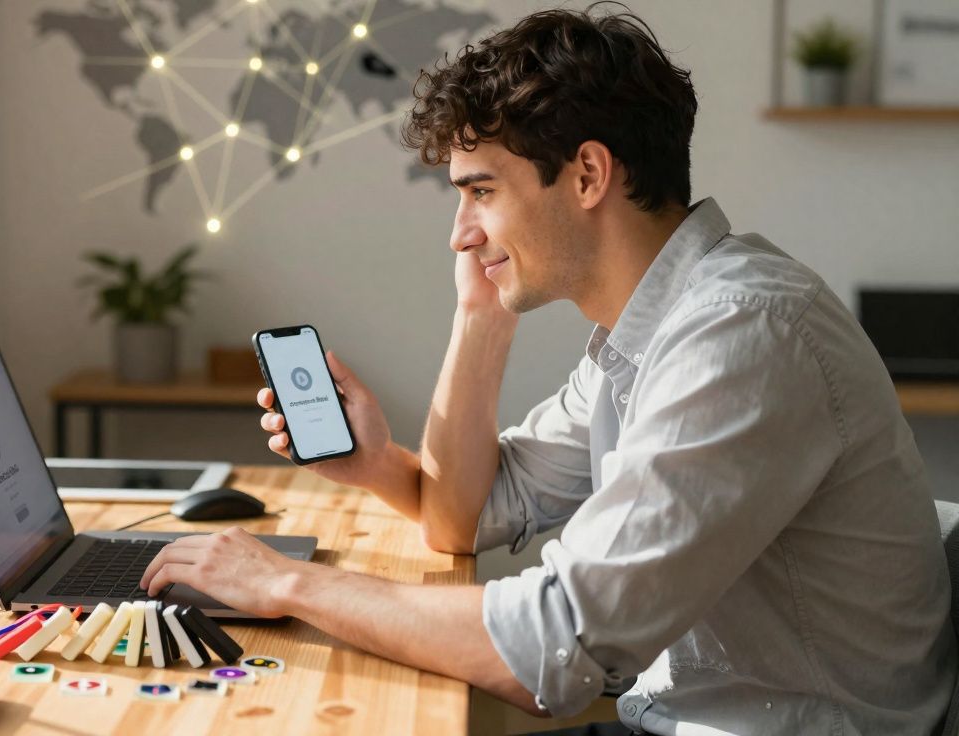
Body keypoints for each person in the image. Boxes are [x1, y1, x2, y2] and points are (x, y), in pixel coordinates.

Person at [141, 5, 956, 733]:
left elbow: (553, 651)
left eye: (482, 192)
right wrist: (465, 341)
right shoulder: (655, 327)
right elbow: (469, 514)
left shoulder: (742, 336)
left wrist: (289, 586)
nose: (461, 232)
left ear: (589, 175)